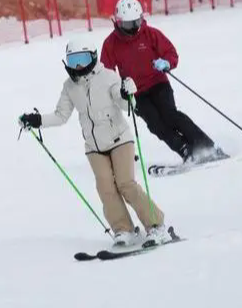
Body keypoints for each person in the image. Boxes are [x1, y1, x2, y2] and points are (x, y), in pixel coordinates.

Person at [18, 37, 169, 246]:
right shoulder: (69, 86)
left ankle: (156, 226)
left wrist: (127, 94)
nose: (78, 66)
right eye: (73, 61)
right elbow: (61, 115)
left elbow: (126, 106)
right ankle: (123, 230)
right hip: (94, 146)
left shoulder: (108, 77)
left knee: (126, 183)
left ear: (93, 56)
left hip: (120, 140)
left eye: (82, 59)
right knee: (105, 187)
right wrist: (37, 121)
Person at [100, 0, 226, 164]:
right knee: (155, 124)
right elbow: (106, 73)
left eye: (136, 22)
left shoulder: (150, 34)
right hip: (136, 93)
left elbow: (170, 52)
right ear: (119, 22)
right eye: (128, 25)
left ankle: (205, 145)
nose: (133, 29)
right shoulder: (111, 44)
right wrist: (119, 89)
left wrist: (166, 62)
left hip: (158, 83)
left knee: (171, 115)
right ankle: (185, 150)